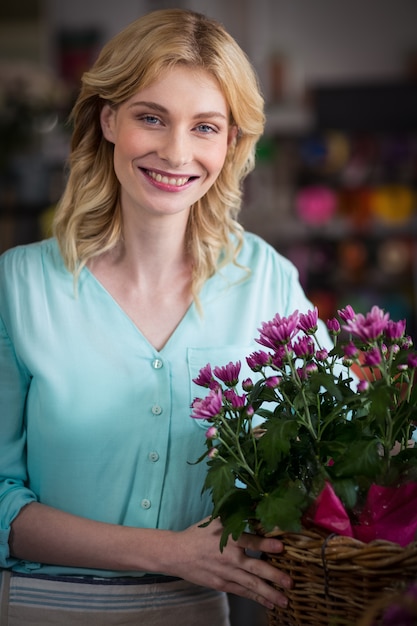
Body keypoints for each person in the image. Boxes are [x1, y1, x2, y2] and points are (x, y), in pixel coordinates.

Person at [0, 8, 336, 625]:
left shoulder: (265, 281)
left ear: (231, 142)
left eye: (205, 127)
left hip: (200, 611)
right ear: (108, 120)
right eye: (151, 118)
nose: (177, 152)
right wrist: (173, 551)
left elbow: (341, 440)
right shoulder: (18, 287)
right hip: (39, 609)